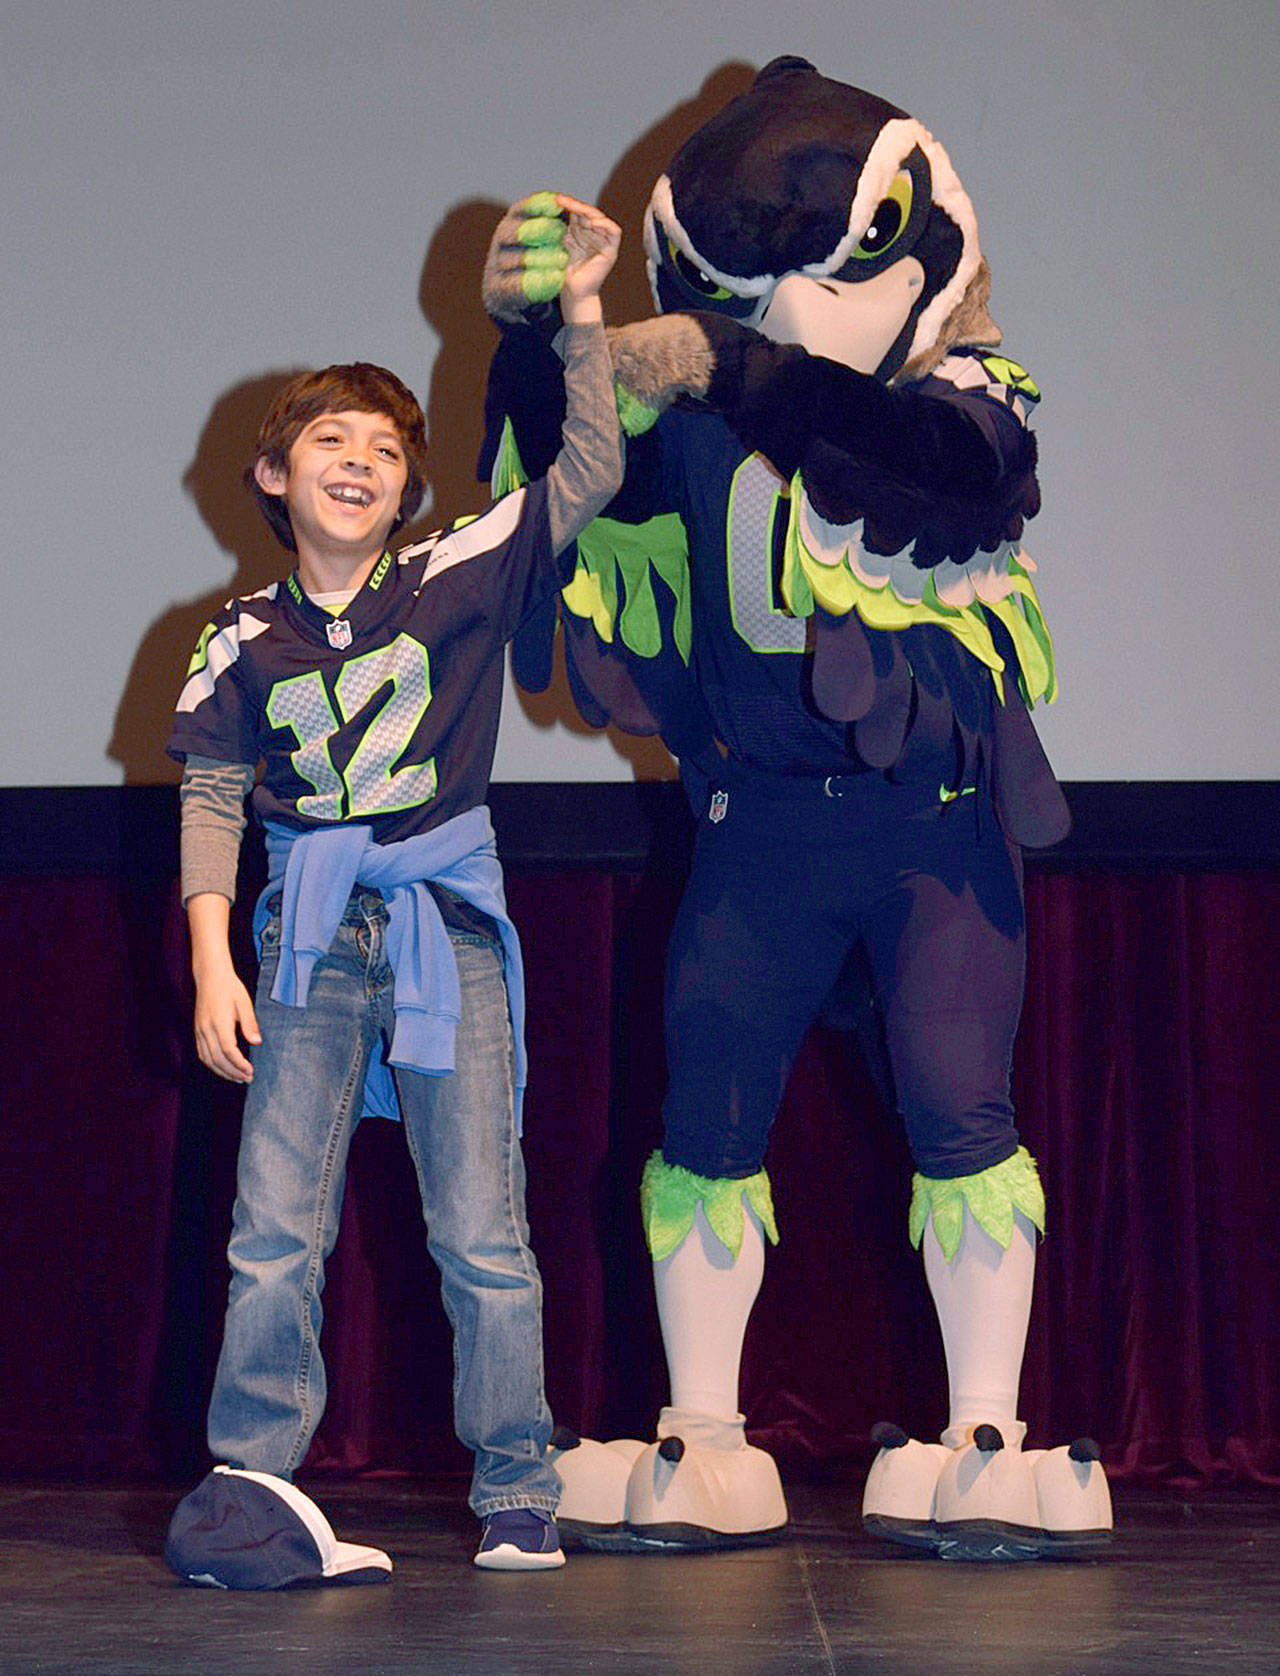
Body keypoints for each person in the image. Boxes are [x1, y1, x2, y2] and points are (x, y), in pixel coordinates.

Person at [482, 60, 1111, 1560]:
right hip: (755, 830)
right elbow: (566, 480)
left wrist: (725, 363)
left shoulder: (970, 399)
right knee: (705, 1116)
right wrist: (532, 338)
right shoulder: (695, 421)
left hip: (931, 832)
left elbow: (948, 479)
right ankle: (702, 1432)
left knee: (961, 1112)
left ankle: (985, 1430)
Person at [163, 193, 622, 1583]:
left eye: (382, 447)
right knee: (271, 1230)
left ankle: (518, 1488)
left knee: (480, 1227)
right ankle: (253, 1483)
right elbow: (212, 797)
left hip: (441, 925)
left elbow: (589, 469)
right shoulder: (239, 635)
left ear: (405, 486)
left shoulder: (455, 569)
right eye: (329, 441)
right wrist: (213, 967)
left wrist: (583, 309)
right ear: (273, 474)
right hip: (303, 935)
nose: (358, 461)